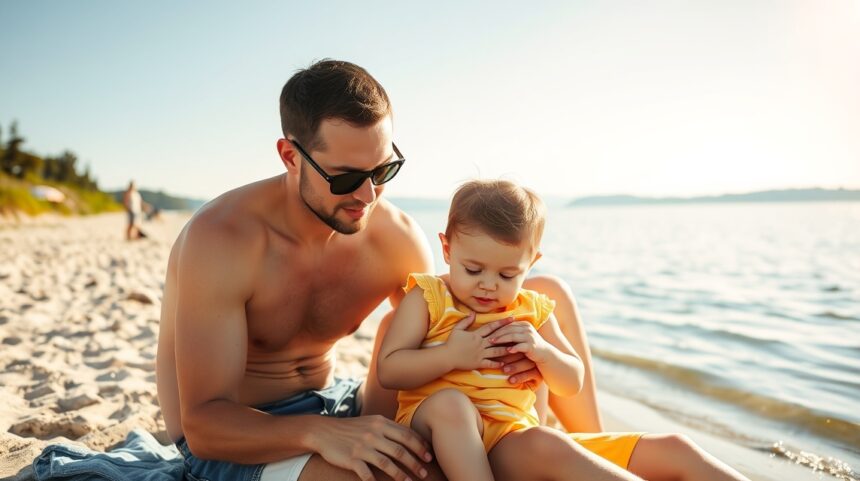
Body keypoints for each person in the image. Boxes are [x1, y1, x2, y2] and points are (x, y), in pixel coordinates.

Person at [156, 59, 652, 481]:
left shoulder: (394, 236)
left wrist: (522, 358)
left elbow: (438, 343)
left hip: (343, 403)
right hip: (240, 436)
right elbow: (203, 425)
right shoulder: (221, 241)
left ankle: (581, 444)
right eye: (347, 177)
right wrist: (322, 432)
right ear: (291, 156)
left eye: (383, 171)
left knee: (543, 294)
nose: (368, 195)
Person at [378, 179, 752, 481]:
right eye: (473, 270)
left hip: (511, 443)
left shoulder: (532, 310)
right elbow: (389, 369)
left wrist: (543, 353)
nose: (488, 285)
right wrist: (450, 356)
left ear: (531, 262)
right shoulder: (429, 298)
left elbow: (571, 381)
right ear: (446, 249)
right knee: (452, 405)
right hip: (440, 435)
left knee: (674, 447)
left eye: (508, 274)